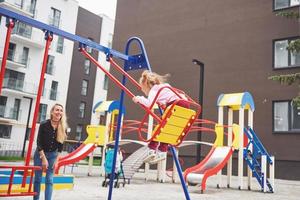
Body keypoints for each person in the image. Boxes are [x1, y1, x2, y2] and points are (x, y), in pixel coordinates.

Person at [132, 70, 188, 163]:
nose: (142, 90)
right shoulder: (165, 86)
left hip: (175, 104)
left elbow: (149, 104)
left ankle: (151, 149)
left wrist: (139, 99)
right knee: (167, 130)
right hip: (185, 103)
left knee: (160, 127)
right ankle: (162, 150)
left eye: (142, 88)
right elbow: (167, 97)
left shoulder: (154, 90)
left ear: (146, 85)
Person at [33, 103, 68, 200]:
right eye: (57, 110)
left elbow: (60, 146)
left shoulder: (63, 127)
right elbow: (39, 142)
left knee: (49, 180)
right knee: (38, 179)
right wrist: (43, 158)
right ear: (52, 112)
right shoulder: (44, 124)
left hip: (53, 155)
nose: (59, 112)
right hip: (40, 154)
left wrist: (57, 161)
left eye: (61, 110)